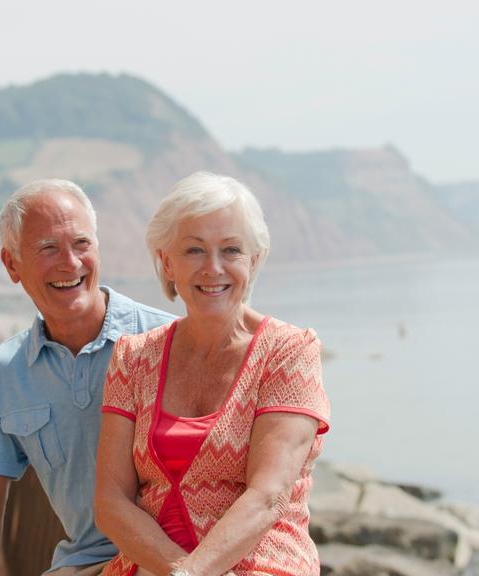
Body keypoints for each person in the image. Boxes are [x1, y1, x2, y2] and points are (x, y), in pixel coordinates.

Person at [94, 172, 331, 576]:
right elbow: (110, 501)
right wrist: (175, 571)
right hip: (149, 566)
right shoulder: (133, 358)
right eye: (194, 250)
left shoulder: (288, 352)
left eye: (231, 250)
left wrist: (189, 574)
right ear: (167, 262)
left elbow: (268, 497)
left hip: (262, 564)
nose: (213, 268)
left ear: (254, 261)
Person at [0, 179, 174, 576]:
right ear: (12, 264)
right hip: (86, 567)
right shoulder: (4, 374)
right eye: (48, 248)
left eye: (81, 244)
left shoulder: (169, 341)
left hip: (177, 559)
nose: (69, 262)